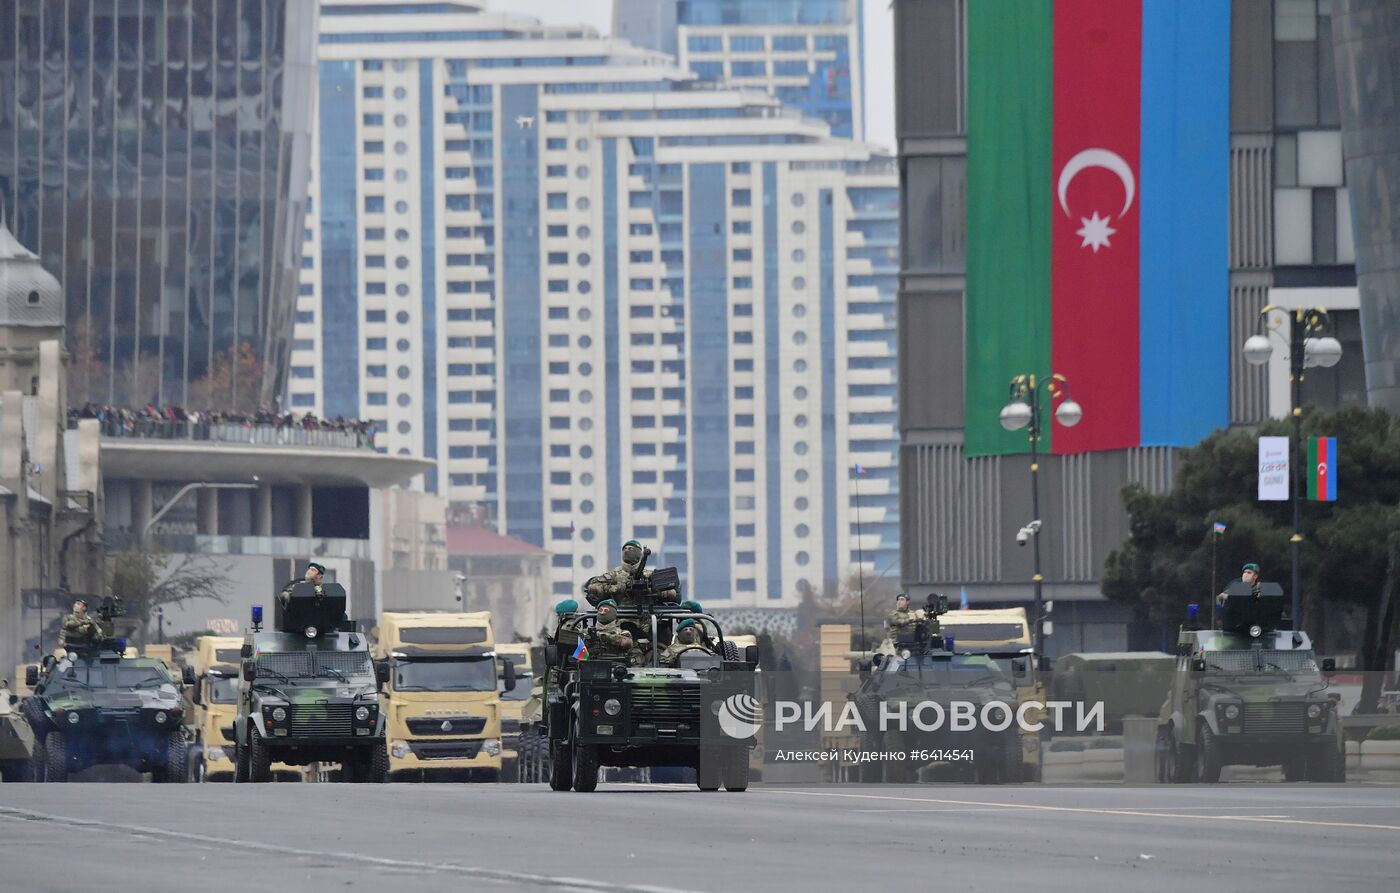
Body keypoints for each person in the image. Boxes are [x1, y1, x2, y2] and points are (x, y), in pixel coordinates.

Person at [589, 599, 643, 664]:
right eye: (600, 610)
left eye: (606, 610)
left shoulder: (624, 633)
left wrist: (604, 636)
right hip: (591, 667)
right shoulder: (588, 632)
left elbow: (627, 643)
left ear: (613, 613)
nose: (602, 613)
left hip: (617, 668)